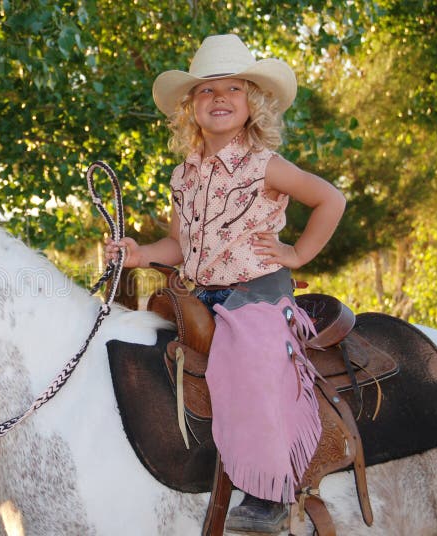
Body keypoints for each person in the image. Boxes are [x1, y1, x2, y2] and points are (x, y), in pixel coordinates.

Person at [105, 34, 346, 533]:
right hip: (201, 295)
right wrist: (141, 253)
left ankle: (269, 491)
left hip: (257, 291)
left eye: (232, 89)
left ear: (251, 103)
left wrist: (298, 252)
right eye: (206, 91)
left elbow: (331, 200)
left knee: (249, 360)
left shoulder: (265, 165)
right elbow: (181, 245)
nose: (219, 99)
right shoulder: (183, 175)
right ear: (191, 107)